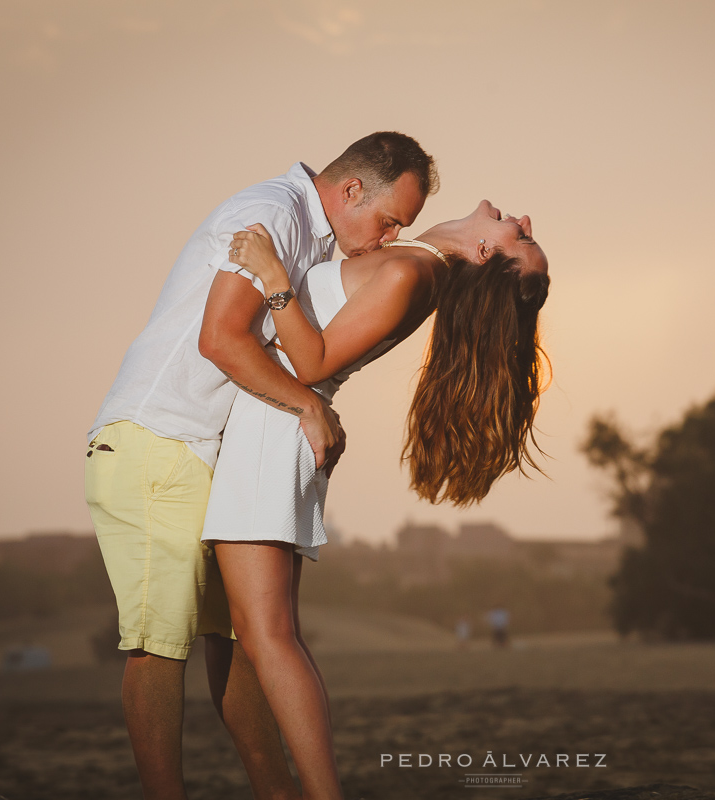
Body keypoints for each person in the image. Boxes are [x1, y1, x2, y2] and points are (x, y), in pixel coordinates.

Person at [84, 131, 437, 800]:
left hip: (204, 451)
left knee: (241, 642)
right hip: (157, 439)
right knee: (160, 645)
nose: (384, 239)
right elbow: (221, 337)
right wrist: (310, 406)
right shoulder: (274, 214)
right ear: (352, 189)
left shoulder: (311, 230)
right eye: (389, 220)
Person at [201, 199, 549, 800]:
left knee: (268, 637)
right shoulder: (411, 263)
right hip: (273, 429)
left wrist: (274, 276)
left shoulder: (409, 274)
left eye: (520, 234)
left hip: (272, 432)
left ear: (488, 251)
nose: (521, 216)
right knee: (246, 636)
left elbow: (308, 363)